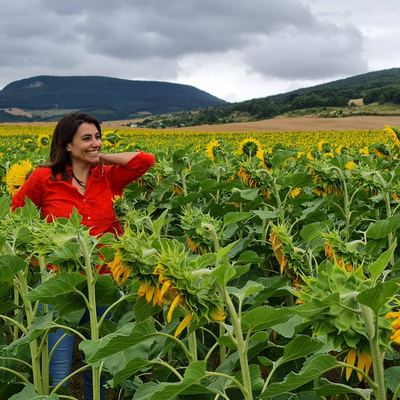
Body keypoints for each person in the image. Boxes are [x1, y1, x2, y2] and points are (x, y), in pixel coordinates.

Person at [12, 112, 155, 400]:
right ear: (67, 145)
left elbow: (145, 161)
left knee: (98, 360)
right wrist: (37, 257)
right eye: (87, 139)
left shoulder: (108, 177)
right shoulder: (44, 178)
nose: (96, 143)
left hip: (104, 281)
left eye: (98, 137)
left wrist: (101, 157)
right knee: (60, 362)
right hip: (60, 282)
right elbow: (17, 216)